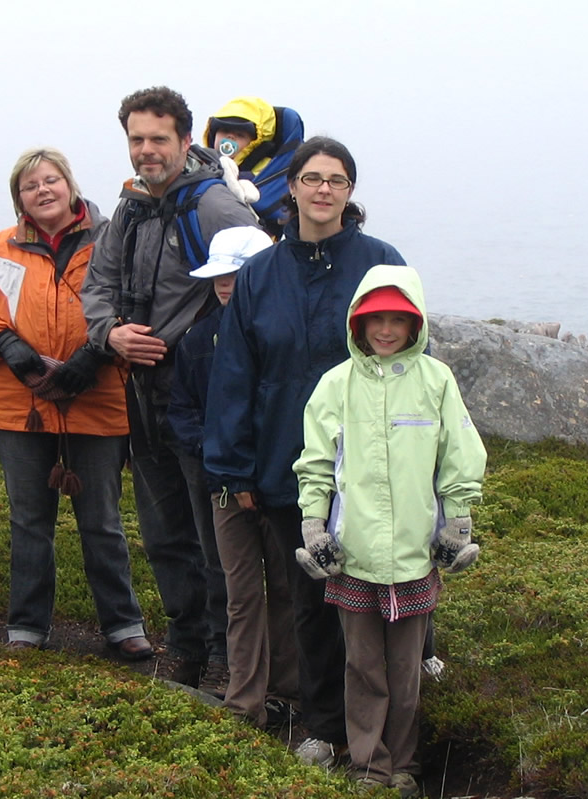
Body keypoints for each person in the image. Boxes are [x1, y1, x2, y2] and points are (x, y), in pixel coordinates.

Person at [204, 137, 406, 765]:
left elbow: (415, 364)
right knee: (313, 602)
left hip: (376, 468)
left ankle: (389, 731)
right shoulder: (260, 273)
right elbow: (234, 376)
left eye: (336, 180)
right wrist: (233, 467)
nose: (323, 190)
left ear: (350, 191)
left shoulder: (381, 264)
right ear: (291, 187)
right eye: (312, 178)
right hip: (290, 466)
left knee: (384, 596)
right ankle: (325, 727)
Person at [82, 86, 259, 686]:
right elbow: (97, 284)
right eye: (137, 139)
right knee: (163, 534)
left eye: (159, 139)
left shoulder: (213, 206)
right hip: (142, 395)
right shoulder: (131, 208)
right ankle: (187, 647)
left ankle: (228, 655)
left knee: (217, 540)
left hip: (202, 400)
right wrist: (111, 335)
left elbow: (258, 282)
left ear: (186, 141)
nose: (146, 150)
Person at [293, 264, 486, 797]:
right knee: (362, 668)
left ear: (414, 323)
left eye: (397, 319)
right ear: (357, 322)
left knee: (405, 671)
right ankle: (369, 767)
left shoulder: (436, 380)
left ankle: (404, 767)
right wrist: (313, 524)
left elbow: (459, 455)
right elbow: (315, 463)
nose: (385, 329)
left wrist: (458, 520)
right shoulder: (335, 384)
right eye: (374, 318)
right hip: (352, 556)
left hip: (415, 556)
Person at [0, 147, 151, 657]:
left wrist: (97, 352)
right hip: (21, 405)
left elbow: (136, 303)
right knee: (29, 521)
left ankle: (123, 624)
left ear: (69, 184)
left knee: (102, 521)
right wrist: (5, 342)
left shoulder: (113, 242)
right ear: (18, 197)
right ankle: (27, 625)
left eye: (51, 180)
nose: (42, 190)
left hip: (99, 398)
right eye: (30, 185)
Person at [169, 225, 300, 718]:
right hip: (225, 487)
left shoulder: (287, 338)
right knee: (241, 593)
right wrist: (216, 452)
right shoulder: (197, 340)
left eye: (235, 274)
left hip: (279, 485)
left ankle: (287, 693)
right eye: (219, 275)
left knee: (286, 589)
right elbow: (181, 409)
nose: (224, 284)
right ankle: (246, 702)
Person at [203, 97, 305, 239]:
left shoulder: (268, 170)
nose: (230, 137)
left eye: (240, 135)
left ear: (257, 143)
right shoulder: (202, 166)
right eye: (224, 131)